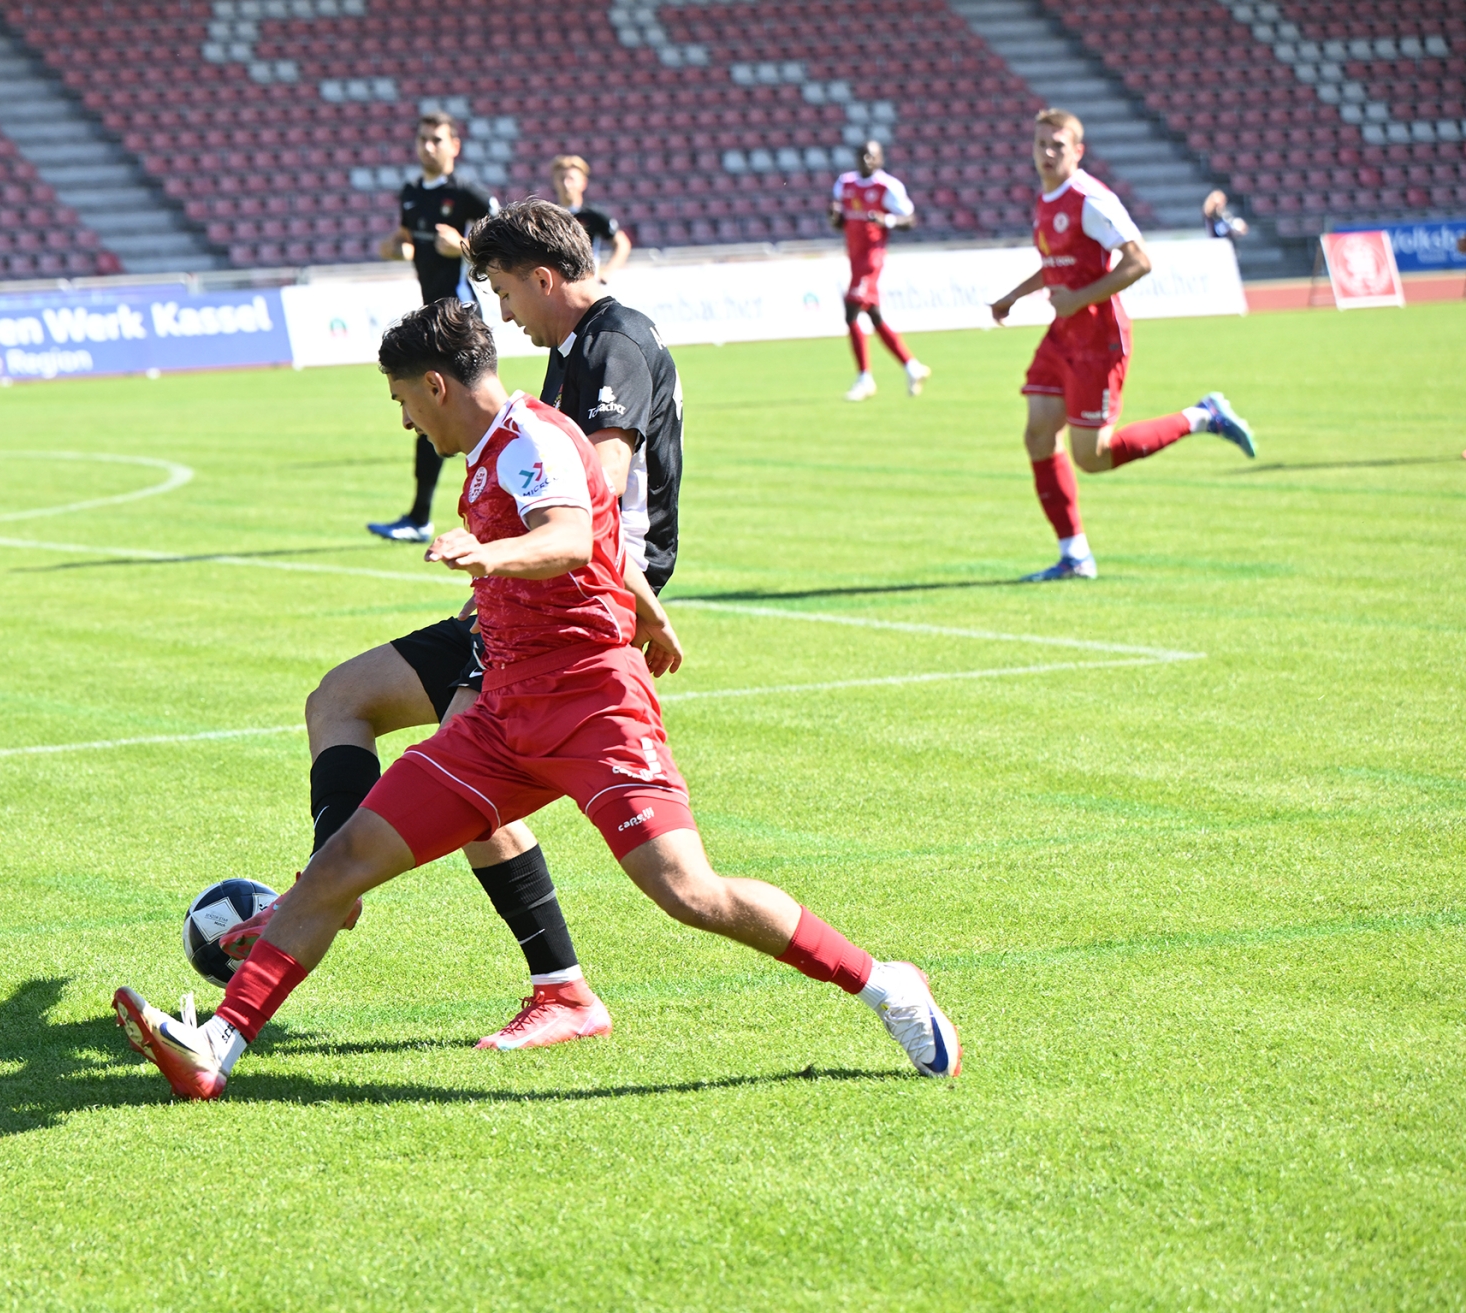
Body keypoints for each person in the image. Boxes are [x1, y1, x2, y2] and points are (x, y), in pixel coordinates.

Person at [112, 299, 961, 1100]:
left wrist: (491, 556)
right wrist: (646, 607)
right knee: (344, 859)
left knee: (687, 890)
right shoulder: (494, 451)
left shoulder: (530, 440)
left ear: (436, 385)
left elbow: (567, 535)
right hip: (501, 717)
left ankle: (885, 984)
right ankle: (219, 1044)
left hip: (592, 708)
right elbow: (600, 539)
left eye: (403, 401)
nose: (405, 421)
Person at [236, 201, 687, 1051]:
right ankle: (330, 881)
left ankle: (560, 989)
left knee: (472, 769)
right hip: (513, 590)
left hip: (569, 603)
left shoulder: (613, 344)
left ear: (543, 278)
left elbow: (590, 507)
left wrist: (635, 601)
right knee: (342, 698)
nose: (504, 313)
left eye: (505, 290)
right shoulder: (574, 349)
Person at [990, 109, 1258, 582]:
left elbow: (1139, 262)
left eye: (1057, 145)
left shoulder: (1091, 199)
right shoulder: (1047, 198)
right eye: (1040, 144)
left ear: (1078, 151)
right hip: (1063, 334)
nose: (1047, 153)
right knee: (1038, 434)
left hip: (1098, 339)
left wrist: (1077, 299)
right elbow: (1057, 266)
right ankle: (1075, 557)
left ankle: (1203, 415)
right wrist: (1014, 295)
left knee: (1092, 457)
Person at [368, 110, 500, 545]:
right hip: (431, 316)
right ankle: (421, 516)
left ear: (454, 146)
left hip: (461, 319)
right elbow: (406, 238)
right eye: (423, 139)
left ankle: (449, 515)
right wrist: (396, 246)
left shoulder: (468, 194)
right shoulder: (411, 194)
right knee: (429, 412)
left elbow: (505, 243)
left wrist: (462, 246)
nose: (428, 146)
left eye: (437, 139)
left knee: (461, 414)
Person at [830, 140, 932, 402]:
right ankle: (912, 367)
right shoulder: (845, 184)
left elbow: (910, 219)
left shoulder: (888, 187)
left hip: (871, 259)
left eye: (871, 156)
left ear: (880, 159)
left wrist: (886, 219)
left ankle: (865, 378)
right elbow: (839, 223)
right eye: (862, 155)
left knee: (851, 308)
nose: (866, 160)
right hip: (854, 259)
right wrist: (834, 216)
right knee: (873, 315)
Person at [549, 155, 632, 279]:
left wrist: (608, 271)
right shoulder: (549, 216)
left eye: (571, 179)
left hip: (587, 280)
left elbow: (622, 244)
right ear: (554, 182)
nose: (566, 184)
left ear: (583, 183)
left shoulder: (593, 215)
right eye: (561, 179)